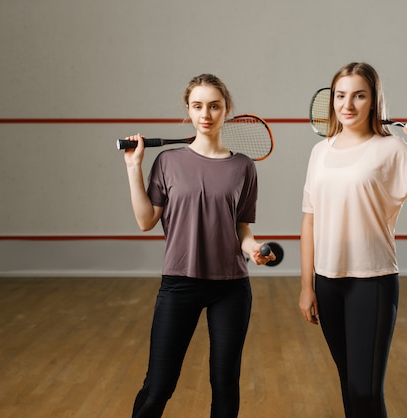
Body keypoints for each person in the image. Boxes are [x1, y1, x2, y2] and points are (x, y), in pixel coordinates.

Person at [298, 62, 407, 418]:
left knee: (365, 391)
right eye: (340, 95)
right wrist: (307, 285)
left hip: (373, 282)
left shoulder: (393, 150)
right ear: (332, 101)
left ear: (374, 101)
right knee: (349, 386)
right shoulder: (320, 152)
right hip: (327, 283)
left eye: (359, 95)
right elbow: (309, 221)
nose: (348, 104)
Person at [123, 73, 275, 418]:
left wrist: (253, 248)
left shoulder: (243, 167)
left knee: (225, 385)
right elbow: (146, 221)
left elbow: (242, 228)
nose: (206, 114)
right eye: (197, 106)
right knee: (158, 386)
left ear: (227, 110)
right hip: (179, 285)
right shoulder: (167, 162)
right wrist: (134, 168)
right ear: (188, 112)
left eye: (214, 106)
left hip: (231, 288)